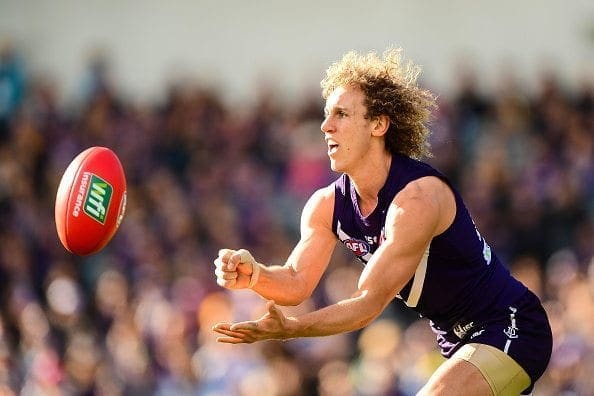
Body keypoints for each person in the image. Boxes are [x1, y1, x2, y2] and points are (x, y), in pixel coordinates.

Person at [212, 47, 553, 395]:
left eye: (342, 114)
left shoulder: (417, 199)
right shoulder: (325, 205)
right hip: (458, 343)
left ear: (378, 124)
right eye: (327, 114)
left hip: (510, 326)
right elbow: (296, 282)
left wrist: (290, 329)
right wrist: (255, 275)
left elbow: (366, 304)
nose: (326, 126)